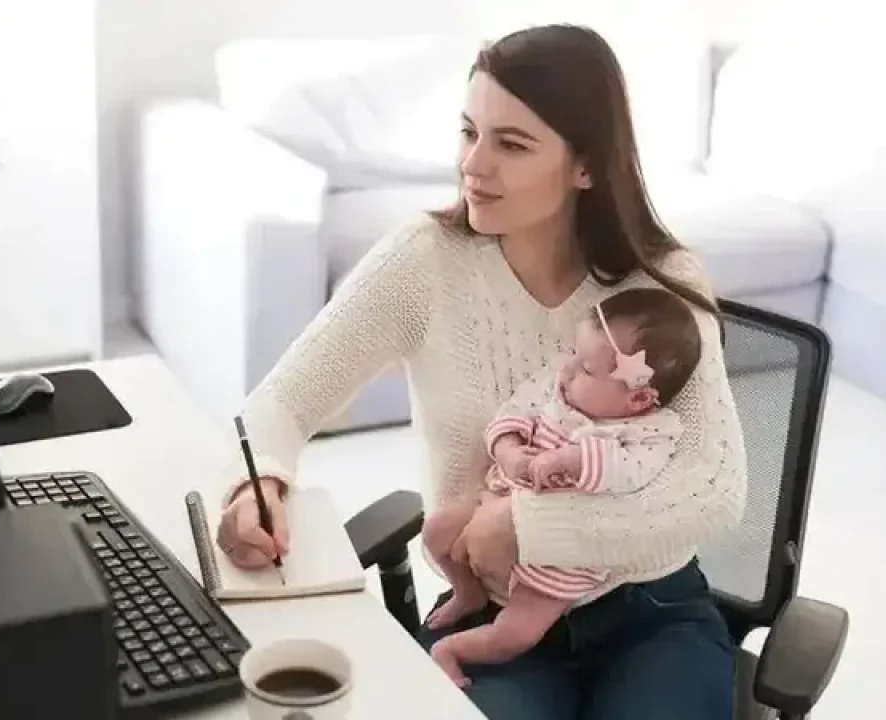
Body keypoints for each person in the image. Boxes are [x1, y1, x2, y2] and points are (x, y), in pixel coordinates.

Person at [215, 23, 747, 720]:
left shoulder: (664, 282)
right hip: (491, 613)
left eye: (512, 144)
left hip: (654, 613)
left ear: (585, 164)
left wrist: (529, 523)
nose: (474, 164)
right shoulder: (424, 261)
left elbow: (714, 489)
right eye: (469, 132)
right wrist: (262, 484)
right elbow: (283, 401)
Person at [422, 287, 702, 688]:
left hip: (561, 563)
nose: (567, 369)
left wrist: (571, 460)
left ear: (638, 398)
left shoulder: (649, 431)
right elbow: (510, 417)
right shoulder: (557, 392)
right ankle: (468, 591)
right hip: (497, 506)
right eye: (573, 352)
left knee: (515, 635)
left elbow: (632, 473)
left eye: (587, 368)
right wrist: (510, 453)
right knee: (436, 530)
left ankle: (451, 651)